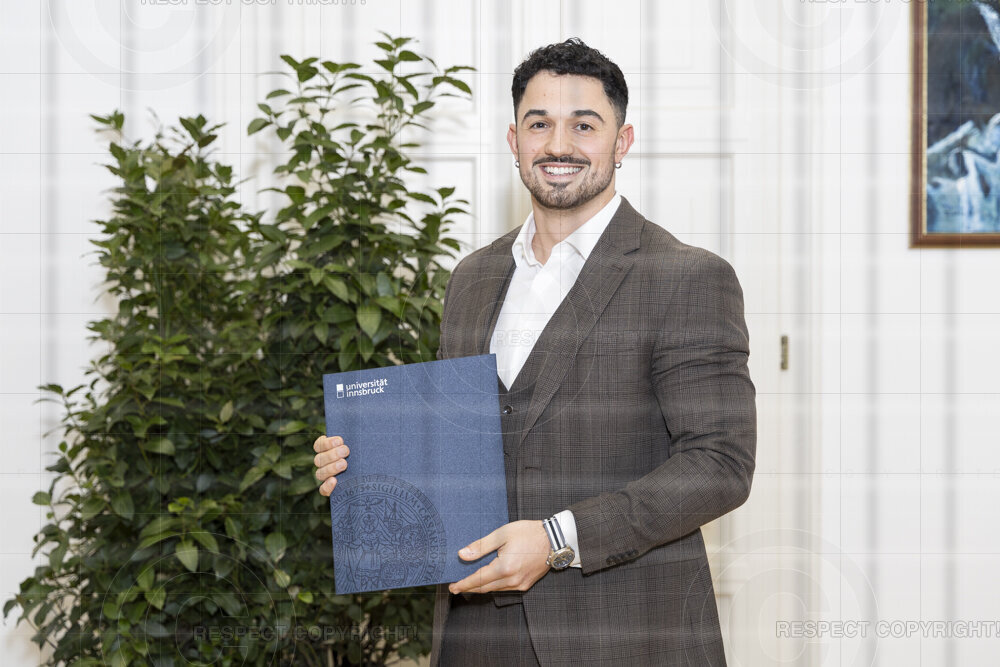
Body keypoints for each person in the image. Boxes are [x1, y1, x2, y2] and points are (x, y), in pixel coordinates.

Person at [313, 38, 756, 666]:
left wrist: (555, 540)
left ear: (622, 142)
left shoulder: (686, 277)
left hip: (626, 636)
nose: (558, 144)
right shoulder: (472, 277)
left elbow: (720, 464)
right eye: (539, 123)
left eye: (584, 125)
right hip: (474, 632)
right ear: (514, 140)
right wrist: (364, 466)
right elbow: (459, 443)